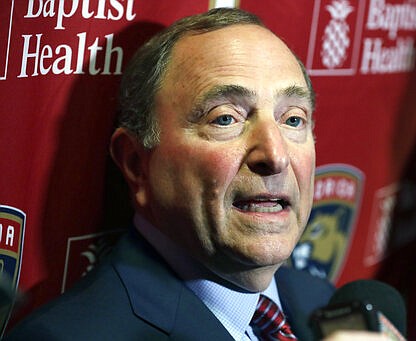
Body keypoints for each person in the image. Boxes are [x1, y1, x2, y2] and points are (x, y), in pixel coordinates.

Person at [6, 8, 335, 341]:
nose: (275, 155)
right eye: (225, 119)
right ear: (136, 164)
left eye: (293, 119)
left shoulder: (324, 302)